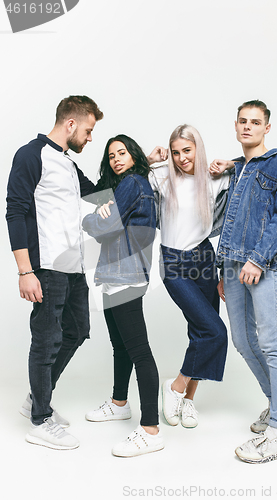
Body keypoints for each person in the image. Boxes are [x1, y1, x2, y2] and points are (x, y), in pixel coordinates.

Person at [6, 95, 104, 450]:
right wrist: (24, 271)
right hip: (45, 267)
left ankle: (36, 398)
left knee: (76, 330)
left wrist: (144, 168)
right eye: (89, 131)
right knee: (46, 341)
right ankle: (40, 419)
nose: (90, 139)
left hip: (72, 267)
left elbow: (96, 194)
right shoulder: (32, 155)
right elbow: (15, 211)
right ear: (71, 124)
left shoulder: (66, 163)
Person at [210, 100, 277, 463]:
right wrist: (222, 269)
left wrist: (258, 260)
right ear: (236, 126)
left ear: (267, 128)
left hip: (262, 264)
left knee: (271, 340)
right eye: (243, 121)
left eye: (256, 122)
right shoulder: (237, 169)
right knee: (243, 340)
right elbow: (228, 222)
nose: (248, 127)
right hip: (232, 265)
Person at [82, 135, 164, 457]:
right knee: (121, 346)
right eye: (111, 155)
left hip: (125, 274)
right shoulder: (129, 184)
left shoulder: (131, 183)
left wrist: (92, 219)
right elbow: (109, 219)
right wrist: (101, 213)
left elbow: (104, 228)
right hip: (119, 274)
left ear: (133, 156)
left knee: (139, 351)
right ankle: (119, 403)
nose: (116, 158)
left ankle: (151, 429)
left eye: (122, 152)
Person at [148, 124, 231, 429]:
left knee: (200, 331)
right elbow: (127, 181)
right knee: (215, 331)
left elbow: (250, 172)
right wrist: (147, 159)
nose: (182, 158)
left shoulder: (215, 178)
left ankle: (188, 400)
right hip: (173, 264)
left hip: (204, 259)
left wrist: (232, 163)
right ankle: (175, 386)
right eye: (176, 152)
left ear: (198, 149)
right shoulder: (160, 176)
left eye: (187, 150)